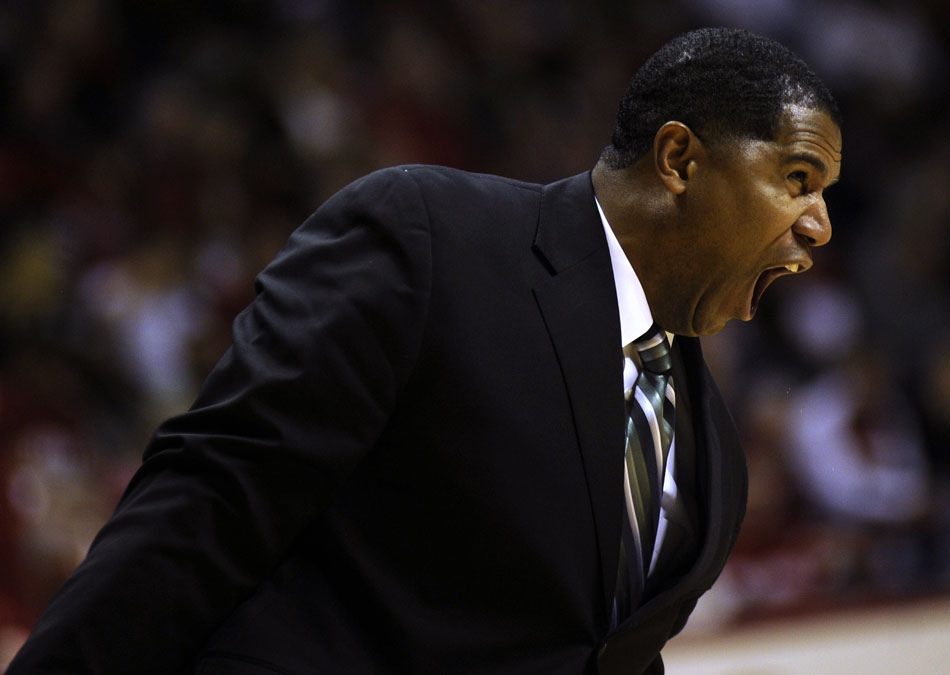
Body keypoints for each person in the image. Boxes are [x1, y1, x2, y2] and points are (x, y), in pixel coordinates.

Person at [7, 27, 842, 674]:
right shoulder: (434, 238)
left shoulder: (714, 455)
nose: (819, 227)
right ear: (680, 158)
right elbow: (209, 504)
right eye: (798, 179)